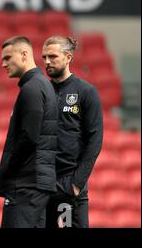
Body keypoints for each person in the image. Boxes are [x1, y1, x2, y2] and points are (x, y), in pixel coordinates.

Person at [0, 36, 58, 228]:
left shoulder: (32, 88)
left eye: (7, 58)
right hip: (36, 183)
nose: (3, 63)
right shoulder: (41, 85)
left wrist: (10, 166)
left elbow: (29, 136)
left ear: (24, 54)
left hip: (26, 184)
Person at [42, 36, 103, 228]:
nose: (47, 62)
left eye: (52, 56)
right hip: (42, 185)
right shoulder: (40, 92)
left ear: (68, 57)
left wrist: (77, 183)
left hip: (68, 186)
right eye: (44, 57)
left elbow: (95, 139)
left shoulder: (86, 91)